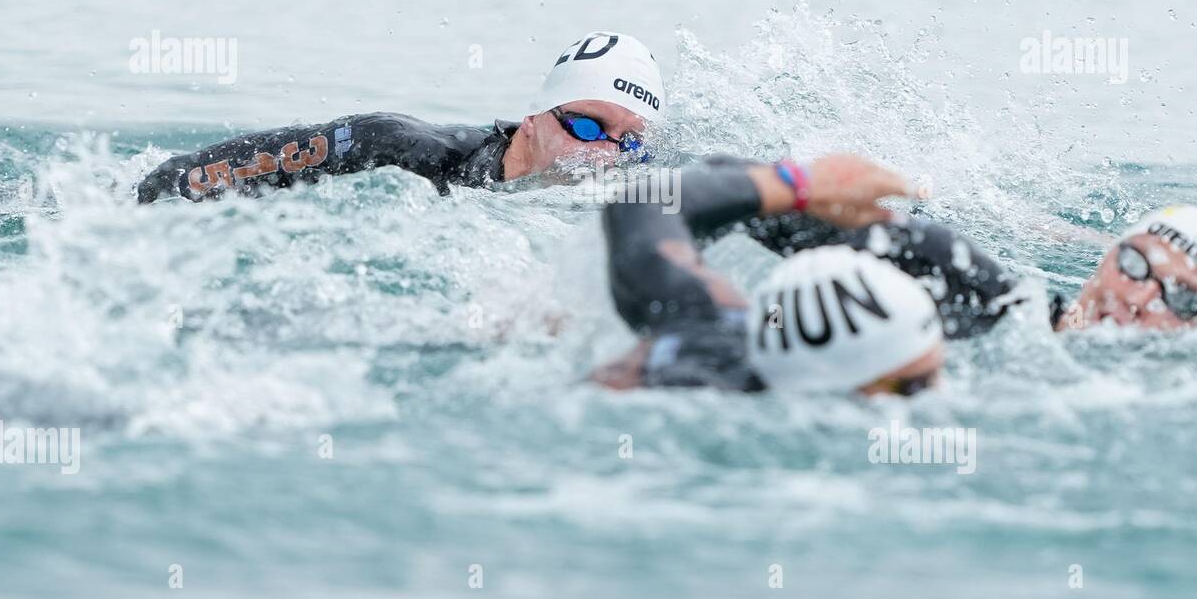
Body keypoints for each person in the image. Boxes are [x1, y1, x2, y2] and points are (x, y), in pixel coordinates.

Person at [593, 154, 1019, 394]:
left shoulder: (709, 340)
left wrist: (799, 186)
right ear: (870, 389)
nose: (942, 388)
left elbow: (648, 202)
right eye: (922, 381)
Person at [136, 31, 664, 202]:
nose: (605, 153)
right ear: (533, 117)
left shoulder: (633, 191)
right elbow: (176, 181)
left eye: (629, 142)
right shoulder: (397, 148)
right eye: (589, 126)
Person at [1051, 205, 1197, 331]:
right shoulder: (1022, 313)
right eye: (1134, 264)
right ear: (1108, 257)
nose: (1137, 299)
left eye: (1183, 298)